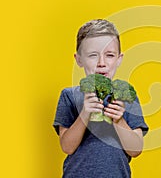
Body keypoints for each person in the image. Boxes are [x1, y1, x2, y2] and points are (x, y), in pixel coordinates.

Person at [53, 19, 149, 178]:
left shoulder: (126, 97)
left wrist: (119, 120)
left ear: (119, 59)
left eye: (109, 55)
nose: (101, 63)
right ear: (79, 59)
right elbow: (67, 147)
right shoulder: (69, 96)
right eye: (92, 55)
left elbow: (135, 149)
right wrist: (84, 113)